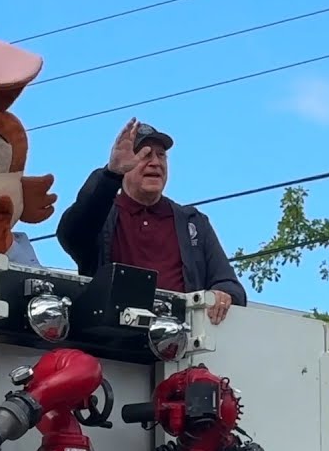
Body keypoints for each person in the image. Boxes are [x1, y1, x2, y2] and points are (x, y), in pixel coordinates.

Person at [55, 117, 246, 324]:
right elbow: (71, 233)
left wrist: (223, 295)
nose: (155, 162)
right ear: (125, 164)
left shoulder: (193, 222)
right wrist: (110, 174)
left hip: (183, 345)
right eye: (144, 154)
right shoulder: (103, 217)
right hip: (112, 345)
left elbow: (229, 285)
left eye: (161, 155)